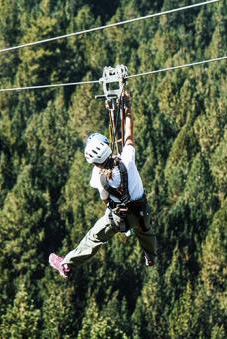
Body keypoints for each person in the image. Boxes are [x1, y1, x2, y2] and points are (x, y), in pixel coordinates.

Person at [49, 90, 157, 278]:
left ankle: (67, 264)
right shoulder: (127, 160)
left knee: (94, 238)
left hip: (118, 218)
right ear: (108, 148)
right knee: (146, 231)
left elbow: (106, 201)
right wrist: (127, 107)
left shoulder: (97, 177)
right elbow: (128, 134)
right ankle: (151, 256)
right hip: (141, 212)